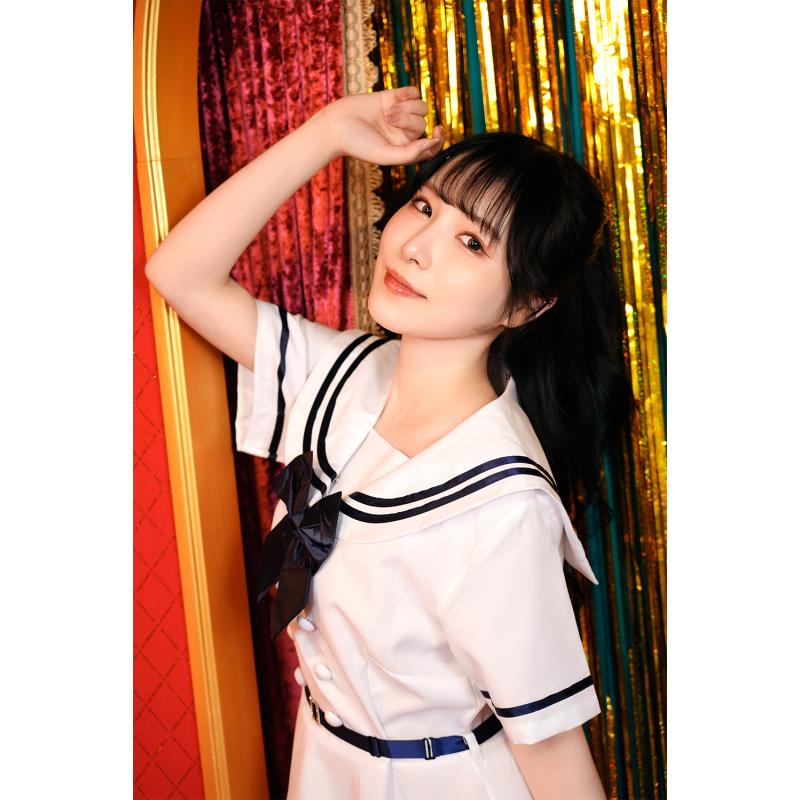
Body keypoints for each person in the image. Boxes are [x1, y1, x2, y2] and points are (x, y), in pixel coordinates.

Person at [145, 84, 632, 800]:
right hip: (322, 764)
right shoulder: (344, 373)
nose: (415, 248)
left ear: (528, 305)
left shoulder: (504, 502)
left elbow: (554, 755)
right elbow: (178, 273)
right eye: (426, 207)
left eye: (472, 242)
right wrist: (326, 133)